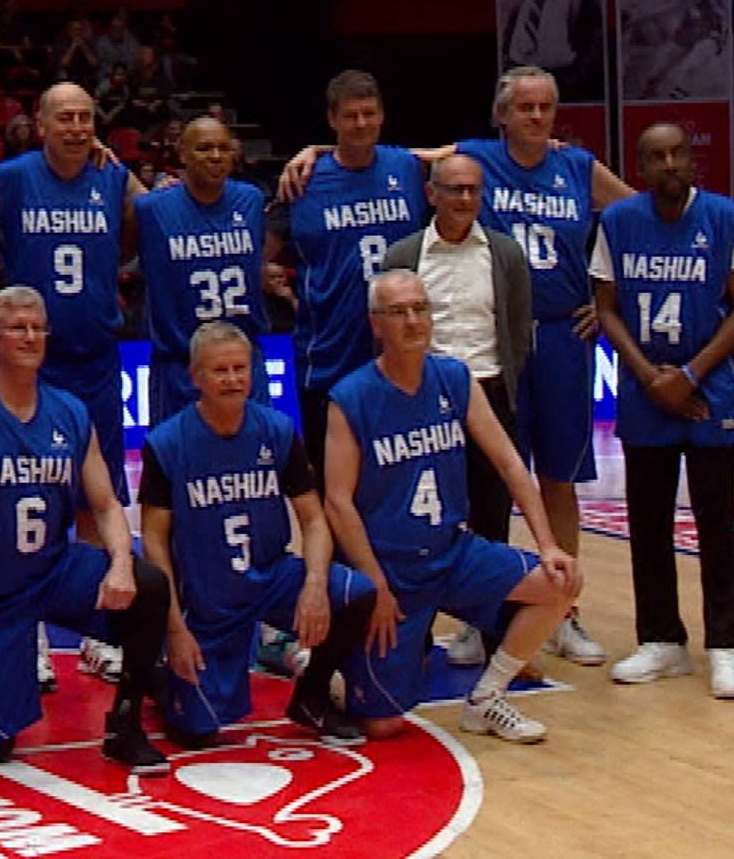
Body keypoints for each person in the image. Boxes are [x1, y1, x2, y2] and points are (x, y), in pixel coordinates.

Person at [283, 65, 635, 664]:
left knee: (551, 477)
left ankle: (558, 613)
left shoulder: (574, 164)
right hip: (452, 361)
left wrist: (609, 303)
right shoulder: (473, 156)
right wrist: (317, 149)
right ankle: (440, 614)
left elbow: (638, 220)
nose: (535, 116)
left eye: (545, 106)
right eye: (523, 106)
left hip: (550, 340)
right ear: (501, 114)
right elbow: (387, 146)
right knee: (451, 488)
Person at [0, 286, 171, 773]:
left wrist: (121, 564)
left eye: (37, 327)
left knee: (149, 587)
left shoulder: (69, 411)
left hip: (51, 571)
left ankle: (125, 723)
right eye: (17, 327)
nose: (30, 336)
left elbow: (106, 503)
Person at [327, 269, 581, 742]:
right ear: (376, 324)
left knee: (561, 580)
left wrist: (547, 544)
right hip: (391, 568)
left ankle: (487, 697)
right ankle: (334, 664)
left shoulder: (454, 378)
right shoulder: (351, 397)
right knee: (383, 725)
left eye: (420, 309)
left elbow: (508, 462)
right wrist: (374, 583)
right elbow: (338, 503)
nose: (412, 321)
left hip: (451, 551)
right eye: (398, 312)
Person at [140, 322, 376, 747]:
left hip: (271, 577)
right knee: (197, 734)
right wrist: (174, 629)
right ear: (196, 376)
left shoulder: (278, 431)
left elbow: (315, 519)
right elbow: (154, 543)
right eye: (220, 371)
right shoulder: (167, 443)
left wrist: (316, 586)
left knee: (356, 593)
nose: (232, 379)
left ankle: (313, 695)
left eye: (240, 368)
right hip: (207, 600)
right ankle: (160, 678)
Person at [0, 83, 148, 682]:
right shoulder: (11, 177)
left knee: (94, 498)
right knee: (21, 499)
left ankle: (94, 630)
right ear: (39, 122)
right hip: (32, 362)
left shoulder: (112, 180)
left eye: (86, 118)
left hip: (97, 360)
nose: (77, 128)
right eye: (65, 118)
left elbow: (144, 216)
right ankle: (25, 633)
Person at [590, 123, 734, 698]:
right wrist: (651, 376)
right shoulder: (619, 222)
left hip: (713, 387)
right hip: (645, 389)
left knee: (719, 523)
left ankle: (725, 643)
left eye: (677, 153)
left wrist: (692, 374)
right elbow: (606, 308)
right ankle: (661, 640)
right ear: (641, 167)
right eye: (656, 156)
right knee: (647, 522)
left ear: (692, 160)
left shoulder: (723, 217)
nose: (669, 163)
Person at [382, 155, 532, 665]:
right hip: (423, 402)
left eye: (473, 190)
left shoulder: (506, 254)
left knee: (491, 522)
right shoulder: (404, 255)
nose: (464, 199)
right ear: (432, 194)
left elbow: (515, 330)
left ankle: (486, 634)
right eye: (454, 190)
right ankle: (413, 637)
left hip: (488, 395)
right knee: (419, 525)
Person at [272, 71, 425, 489]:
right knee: (335, 485)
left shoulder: (408, 166)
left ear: (382, 115)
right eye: (351, 115)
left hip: (398, 351)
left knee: (395, 480)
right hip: (328, 354)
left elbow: (471, 157)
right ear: (332, 119)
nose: (361, 124)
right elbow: (259, 250)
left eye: (369, 114)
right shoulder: (304, 181)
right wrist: (273, 281)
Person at [136, 116, 271, 425]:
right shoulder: (152, 209)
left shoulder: (250, 200)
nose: (215, 156)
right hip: (180, 365)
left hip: (243, 361)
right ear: (182, 153)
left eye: (223, 148)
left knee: (256, 467)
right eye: (204, 148)